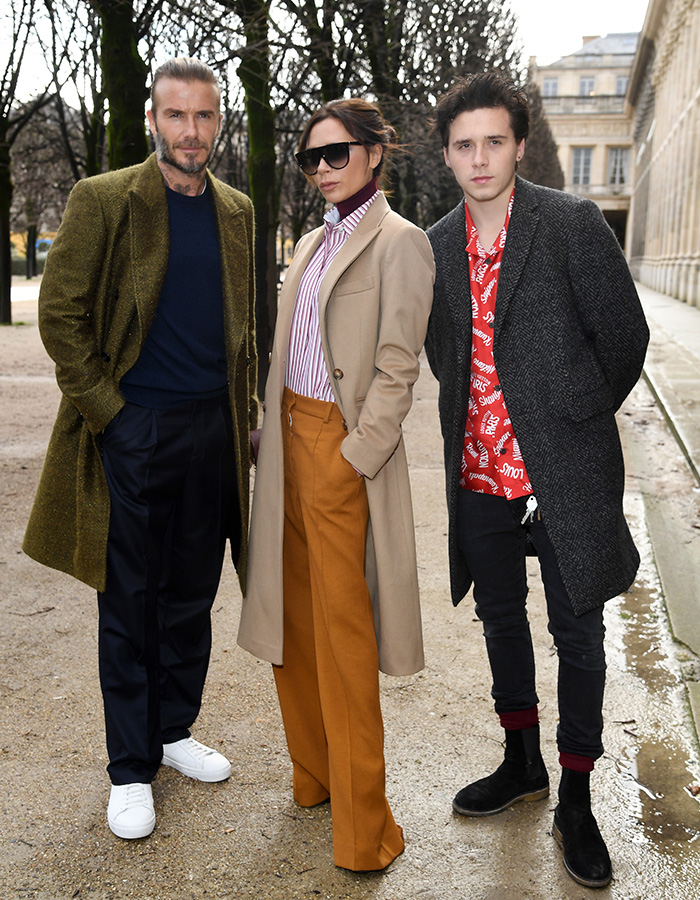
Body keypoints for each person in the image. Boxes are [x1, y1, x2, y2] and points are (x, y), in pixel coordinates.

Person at [23, 58, 257, 840]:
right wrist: (113, 416)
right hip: (135, 427)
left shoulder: (237, 210)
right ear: (153, 119)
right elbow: (62, 317)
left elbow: (243, 332)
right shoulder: (103, 199)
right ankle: (130, 767)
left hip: (211, 431)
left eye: (204, 117)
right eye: (177, 116)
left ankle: (172, 731)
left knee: (192, 595)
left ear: (219, 122)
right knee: (129, 600)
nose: (192, 132)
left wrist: (247, 414)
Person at [424, 73, 649, 889]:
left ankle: (578, 799)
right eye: (463, 144)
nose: (479, 158)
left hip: (564, 473)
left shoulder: (570, 223)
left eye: (493, 141)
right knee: (497, 619)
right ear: (446, 154)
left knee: (579, 635)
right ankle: (522, 760)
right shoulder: (437, 240)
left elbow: (626, 337)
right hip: (478, 473)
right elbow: (443, 352)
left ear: (519, 144)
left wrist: (567, 417)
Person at [237, 98, 434, 871]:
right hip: (284, 448)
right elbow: (292, 346)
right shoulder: (313, 242)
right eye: (312, 157)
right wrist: (265, 423)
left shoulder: (400, 242)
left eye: (338, 152)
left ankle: (364, 832)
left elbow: (397, 367)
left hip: (340, 455)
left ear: (375, 153)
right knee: (292, 630)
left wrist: (355, 456)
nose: (323, 168)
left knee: (345, 644)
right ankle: (313, 779)